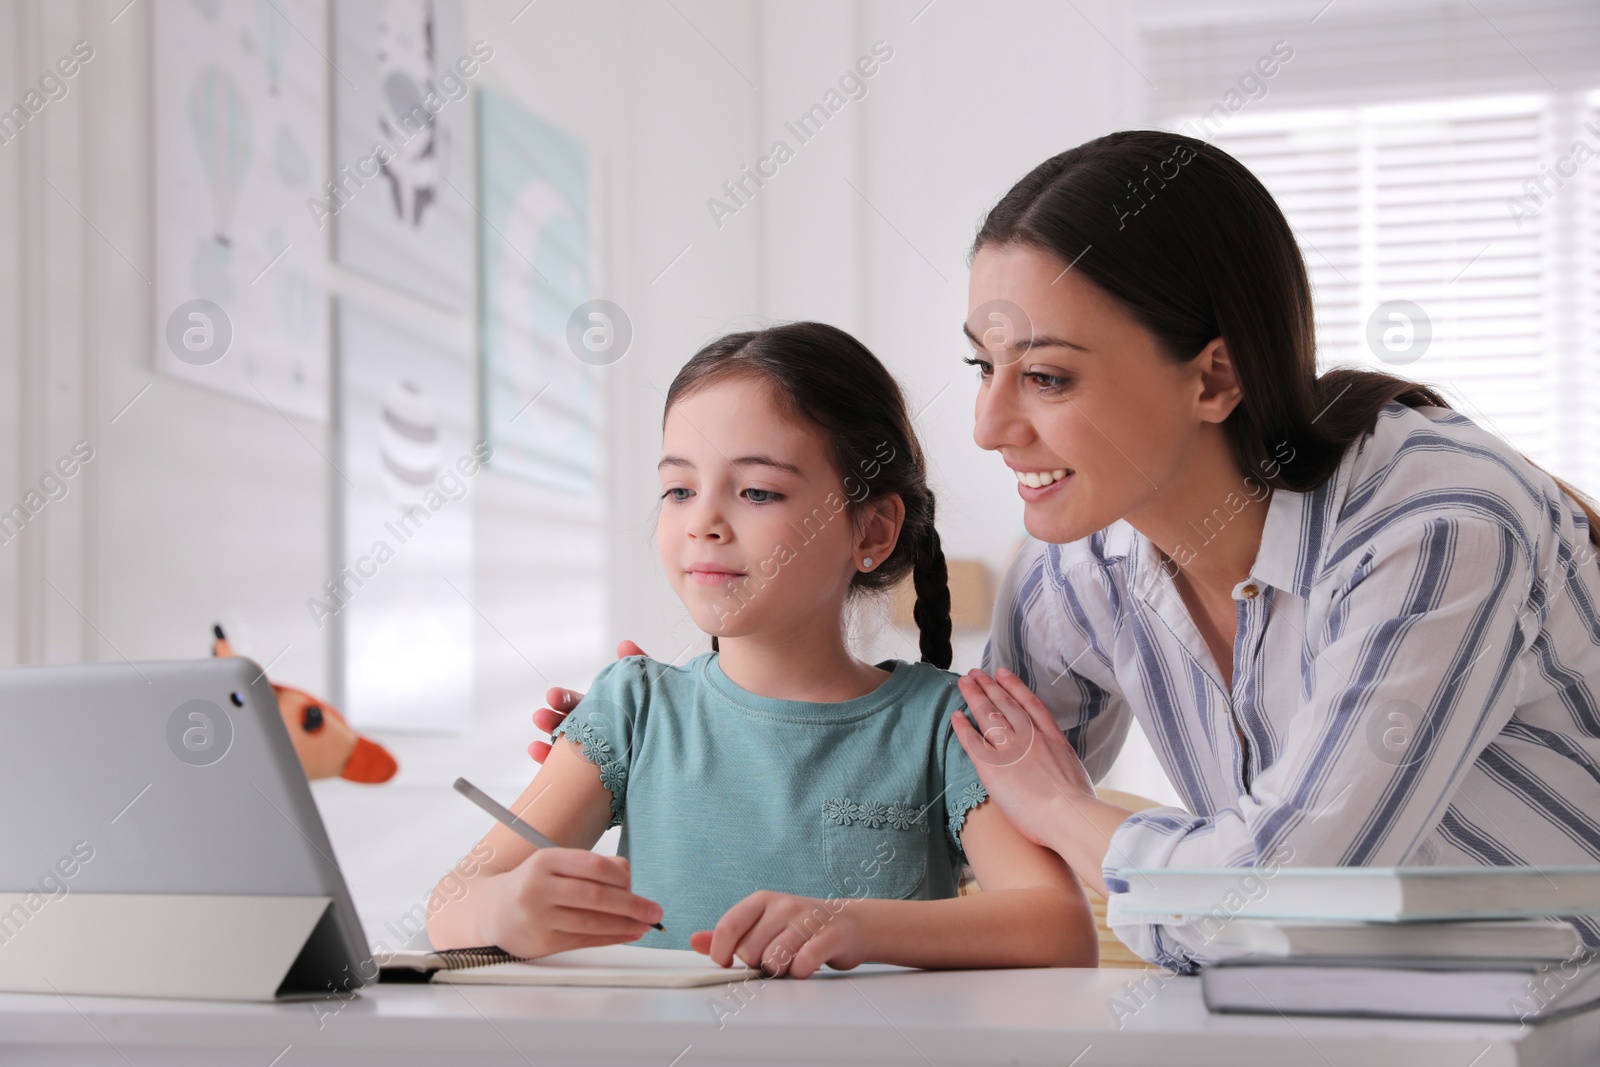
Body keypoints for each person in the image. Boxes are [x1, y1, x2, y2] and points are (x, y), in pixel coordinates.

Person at [540, 131, 1600, 976]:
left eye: (1045, 376)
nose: (989, 424)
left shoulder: (1437, 527)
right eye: (981, 364)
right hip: (1326, 1012)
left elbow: (1273, 904)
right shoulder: (1082, 554)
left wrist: (1066, 810)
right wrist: (707, 732)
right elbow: (947, 790)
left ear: (1212, 378)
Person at [427, 322, 1097, 977]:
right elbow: (449, 905)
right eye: (679, 489)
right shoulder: (630, 709)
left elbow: (1058, 927)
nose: (704, 522)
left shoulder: (946, 726)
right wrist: (507, 909)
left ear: (872, 527)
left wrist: (855, 923)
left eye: (757, 491)